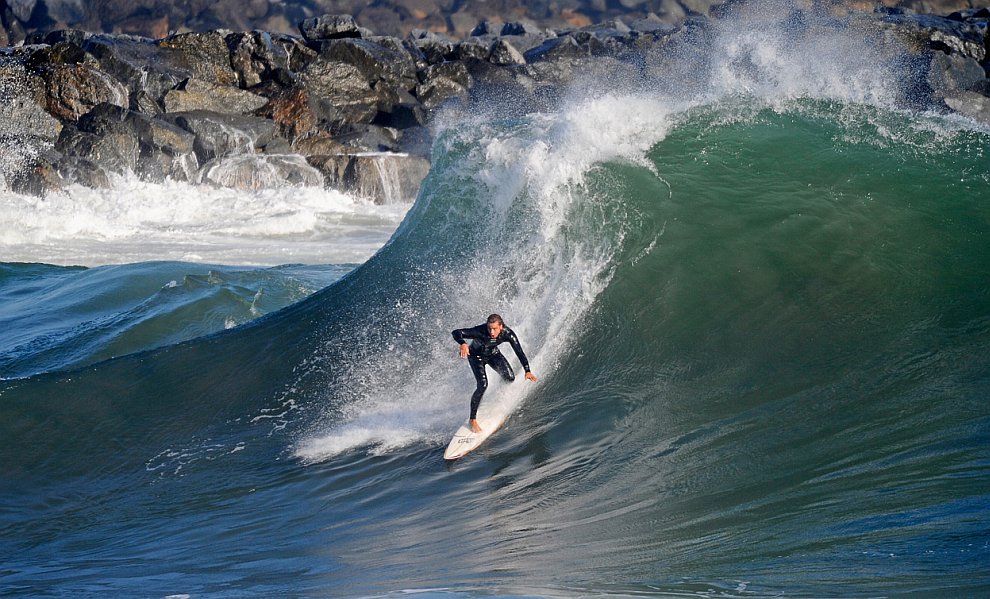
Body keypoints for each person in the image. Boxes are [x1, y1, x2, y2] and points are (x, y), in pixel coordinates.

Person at [452, 314, 538, 433]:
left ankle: (494, 396)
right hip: (476, 357)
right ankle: (472, 419)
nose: (491, 332)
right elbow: (456, 332)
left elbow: (519, 351)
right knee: (482, 385)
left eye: (494, 329)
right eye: (489, 328)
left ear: (501, 327)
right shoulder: (480, 331)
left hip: (493, 354)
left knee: (510, 378)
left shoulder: (508, 334)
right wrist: (462, 343)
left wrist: (527, 370)